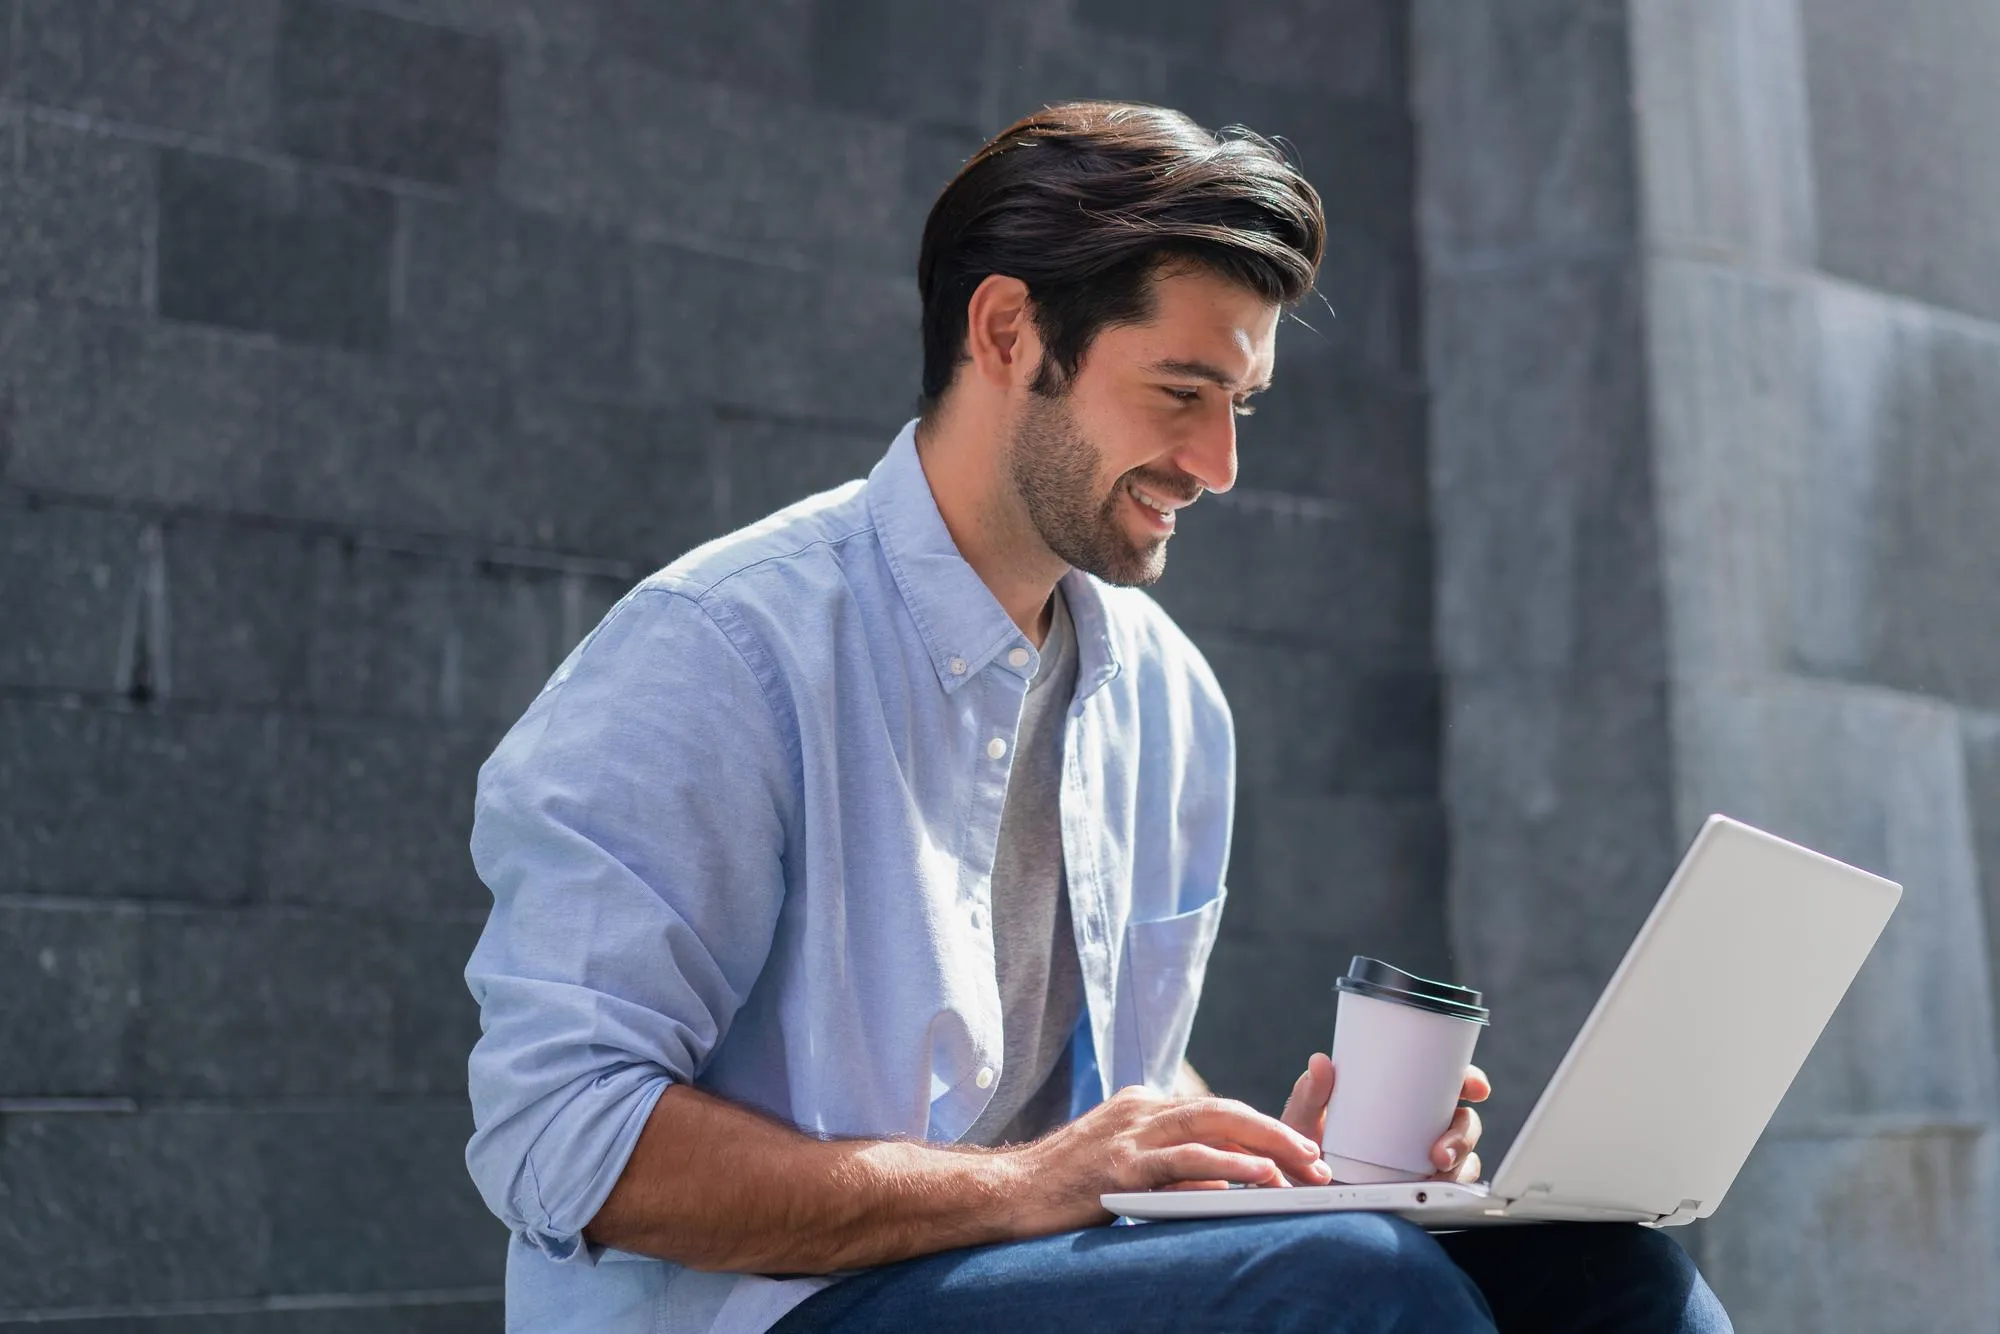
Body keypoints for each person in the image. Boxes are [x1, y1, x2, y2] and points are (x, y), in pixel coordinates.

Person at [463, 101, 1732, 1334]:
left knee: (1613, 1281)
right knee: (1347, 1291)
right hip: (775, 1305)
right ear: (1010, 331)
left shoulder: (1166, 696)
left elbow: (1094, 1099)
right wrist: (1039, 1185)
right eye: (1181, 391)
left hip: (1031, 1268)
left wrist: (1281, 1160)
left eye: (1238, 405)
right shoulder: (723, 649)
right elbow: (565, 1138)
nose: (1218, 463)